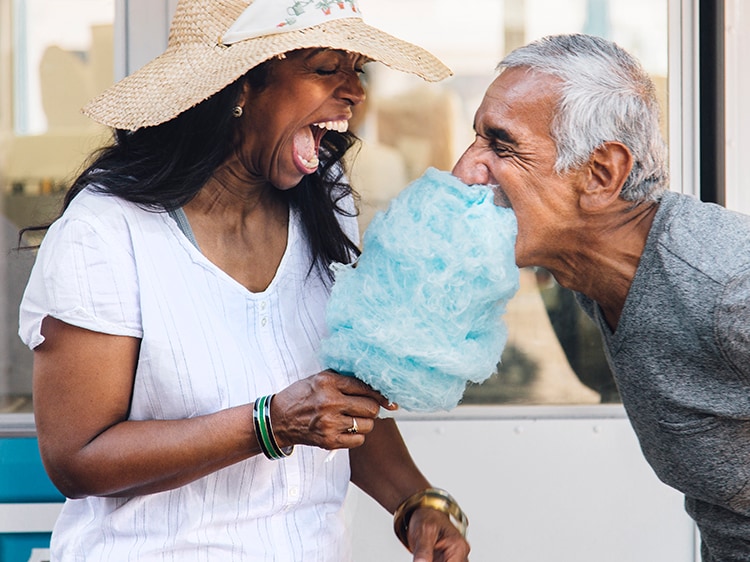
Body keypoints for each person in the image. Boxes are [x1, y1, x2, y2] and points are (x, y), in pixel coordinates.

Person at [18, 0, 470, 560]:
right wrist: (269, 424)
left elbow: (333, 404)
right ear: (240, 87)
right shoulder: (106, 232)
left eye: (359, 69)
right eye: (327, 68)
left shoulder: (325, 209)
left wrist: (417, 503)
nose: (356, 91)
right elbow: (77, 457)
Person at [452, 33, 750, 561]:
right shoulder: (593, 278)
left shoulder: (726, 288)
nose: (465, 171)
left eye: (501, 145)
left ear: (601, 173)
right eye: (476, 140)